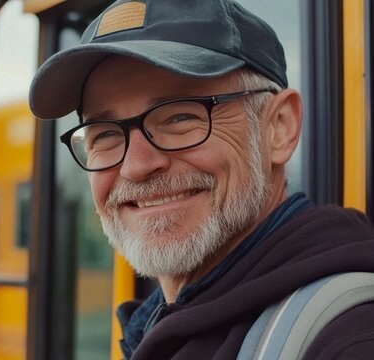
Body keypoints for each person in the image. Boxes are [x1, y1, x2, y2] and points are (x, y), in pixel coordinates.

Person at [29, 0, 374, 359]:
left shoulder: (349, 335)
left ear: (279, 128)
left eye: (179, 117)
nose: (135, 166)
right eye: (104, 135)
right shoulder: (159, 328)